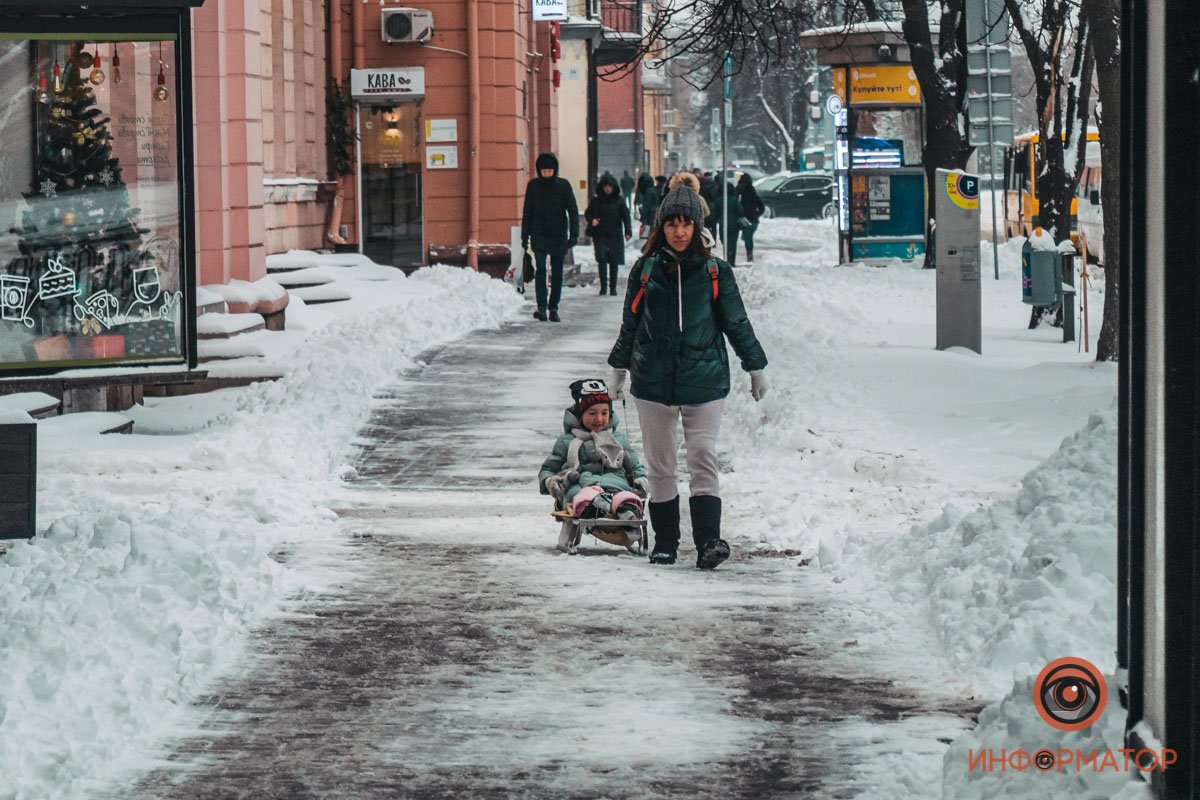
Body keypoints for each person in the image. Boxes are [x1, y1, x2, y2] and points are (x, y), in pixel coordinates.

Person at [607, 186, 768, 570]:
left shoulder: (715, 271)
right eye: (672, 224)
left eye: (686, 224)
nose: (679, 232)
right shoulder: (645, 270)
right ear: (661, 227)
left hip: (705, 381)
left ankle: (709, 541)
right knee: (661, 465)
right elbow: (630, 325)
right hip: (653, 384)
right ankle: (666, 542)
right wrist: (618, 369)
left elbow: (736, 322)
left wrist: (755, 366)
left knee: (702, 454)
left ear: (698, 226)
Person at [539, 379, 649, 540]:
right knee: (582, 496)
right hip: (580, 485)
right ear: (579, 415)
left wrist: (639, 478)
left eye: (604, 413)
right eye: (592, 413)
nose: (599, 419)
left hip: (616, 484)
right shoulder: (567, 441)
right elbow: (549, 468)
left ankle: (627, 514)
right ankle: (590, 510)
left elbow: (633, 464)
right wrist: (550, 481)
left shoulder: (617, 439)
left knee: (625, 496)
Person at [521, 152, 579, 322]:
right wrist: (524, 236)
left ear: (555, 170)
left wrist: (574, 234)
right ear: (539, 171)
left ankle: (554, 307)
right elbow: (527, 212)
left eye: (550, 171)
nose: (547, 174)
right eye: (544, 171)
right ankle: (542, 307)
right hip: (538, 235)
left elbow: (573, 210)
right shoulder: (533, 186)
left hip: (558, 235)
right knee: (540, 270)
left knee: (557, 273)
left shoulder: (563, 186)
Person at [584, 173, 633, 296]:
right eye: (605, 186)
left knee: (614, 261)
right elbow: (588, 213)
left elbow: (626, 216)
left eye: (610, 186)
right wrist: (592, 220)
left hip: (615, 234)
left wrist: (628, 231)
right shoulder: (596, 200)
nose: (607, 189)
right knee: (602, 260)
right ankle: (603, 287)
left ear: (614, 187)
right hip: (600, 234)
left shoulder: (619, 200)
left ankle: (613, 288)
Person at [706, 181, 744, 265]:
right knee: (733, 244)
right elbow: (740, 211)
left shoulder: (718, 200)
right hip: (734, 225)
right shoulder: (735, 200)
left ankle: (727, 259)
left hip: (723, 225)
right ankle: (732, 261)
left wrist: (712, 222)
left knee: (725, 242)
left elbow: (715, 214)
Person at [736, 172, 766, 263]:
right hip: (753, 219)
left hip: (747, 219)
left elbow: (738, 206)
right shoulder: (752, 193)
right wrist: (757, 214)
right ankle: (749, 255)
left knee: (748, 237)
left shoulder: (740, 193)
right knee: (748, 237)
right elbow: (762, 207)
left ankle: (749, 256)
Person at [636, 173, 659, 239]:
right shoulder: (653, 189)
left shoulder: (648, 191)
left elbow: (647, 206)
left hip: (650, 214)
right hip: (654, 213)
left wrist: (644, 217)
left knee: (648, 232)